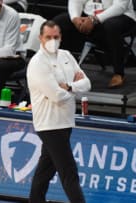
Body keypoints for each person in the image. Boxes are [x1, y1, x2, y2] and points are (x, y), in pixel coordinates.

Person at [27, 20, 91, 203]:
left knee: (45, 171)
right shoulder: (37, 63)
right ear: (40, 38)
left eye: (56, 37)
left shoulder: (66, 55)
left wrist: (69, 86)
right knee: (69, 172)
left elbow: (87, 84)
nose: (52, 41)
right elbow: (55, 95)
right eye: (48, 37)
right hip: (49, 124)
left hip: (65, 121)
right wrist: (73, 88)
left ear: (61, 37)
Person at [53, 0, 136, 88]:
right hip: (88, 15)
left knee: (111, 26)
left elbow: (120, 7)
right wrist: (75, 18)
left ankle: (119, 73)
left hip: (119, 15)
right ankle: (62, 70)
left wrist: (95, 19)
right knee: (59, 22)